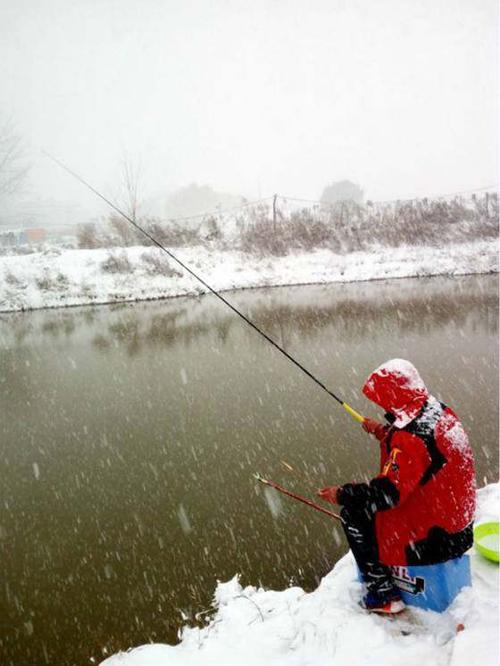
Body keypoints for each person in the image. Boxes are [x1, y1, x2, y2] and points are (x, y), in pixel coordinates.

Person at [318, 359, 476, 614]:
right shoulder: (438, 410)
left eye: (384, 402)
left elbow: (386, 494)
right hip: (458, 524)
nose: (383, 408)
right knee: (365, 506)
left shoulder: (410, 439)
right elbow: (425, 450)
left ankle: (382, 593)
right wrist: (384, 432)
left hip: (436, 539)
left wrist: (342, 493)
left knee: (353, 513)